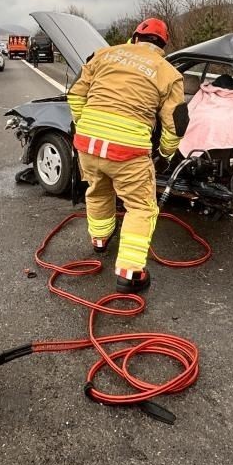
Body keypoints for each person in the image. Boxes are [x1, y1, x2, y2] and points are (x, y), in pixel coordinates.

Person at [66, 18, 184, 294]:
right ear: (162, 45)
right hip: (128, 151)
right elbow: (175, 123)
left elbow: (75, 95)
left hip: (88, 144)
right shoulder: (168, 73)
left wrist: (85, 126)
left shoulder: (103, 55)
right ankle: (130, 274)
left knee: (97, 191)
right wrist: (165, 152)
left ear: (134, 38)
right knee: (141, 208)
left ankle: (100, 240)